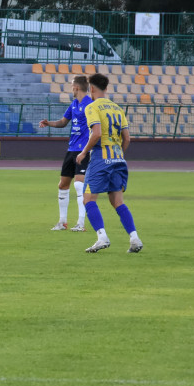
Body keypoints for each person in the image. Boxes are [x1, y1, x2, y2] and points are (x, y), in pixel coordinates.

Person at [75, 73, 144, 253]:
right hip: (118, 157)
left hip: (100, 157)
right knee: (117, 201)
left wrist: (83, 152)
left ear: (91, 89)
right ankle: (134, 238)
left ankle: (102, 237)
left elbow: (96, 133)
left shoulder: (92, 107)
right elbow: (127, 138)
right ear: (106, 88)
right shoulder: (117, 108)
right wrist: (117, 154)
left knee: (88, 198)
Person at [38, 75, 92, 231]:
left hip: (84, 150)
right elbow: (63, 122)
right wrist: (49, 123)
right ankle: (62, 222)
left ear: (76, 87)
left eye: (72, 86)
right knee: (63, 185)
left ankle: (81, 223)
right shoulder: (74, 104)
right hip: (71, 149)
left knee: (79, 185)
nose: (71, 89)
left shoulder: (90, 105)